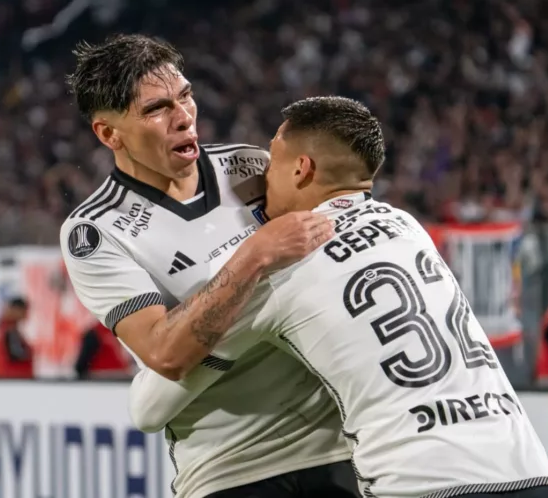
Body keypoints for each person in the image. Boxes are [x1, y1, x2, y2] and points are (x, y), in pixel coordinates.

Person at [129, 96, 548, 498]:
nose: (262, 179)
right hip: (530, 470)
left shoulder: (278, 264)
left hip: (424, 484)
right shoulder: (408, 227)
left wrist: (242, 268)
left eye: (272, 162)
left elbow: (149, 408)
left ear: (301, 169)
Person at [60, 34, 357, 498]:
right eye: (156, 109)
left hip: (334, 446)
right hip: (229, 468)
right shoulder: (97, 232)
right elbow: (165, 354)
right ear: (108, 133)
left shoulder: (253, 168)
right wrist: (255, 255)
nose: (183, 118)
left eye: (186, 96)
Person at [0, 297, 34, 379]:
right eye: (24, 310)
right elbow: (18, 355)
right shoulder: (9, 331)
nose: (26, 315)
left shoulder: (4, 329)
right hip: (14, 381)